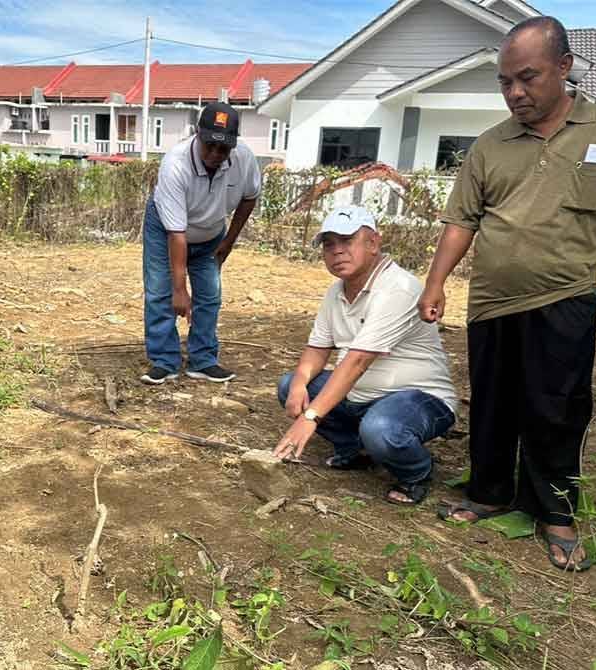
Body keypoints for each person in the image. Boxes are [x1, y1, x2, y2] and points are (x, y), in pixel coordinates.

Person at [419, 16, 596, 571]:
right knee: (494, 404)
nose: (515, 93)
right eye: (504, 82)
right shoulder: (490, 145)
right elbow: (462, 220)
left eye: (527, 78)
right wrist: (435, 281)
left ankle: (555, 511)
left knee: (556, 407)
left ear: (564, 68)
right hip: (493, 300)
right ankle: (490, 493)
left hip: (566, 296)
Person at [273, 205, 458, 505]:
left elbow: (357, 360)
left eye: (347, 241)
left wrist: (310, 417)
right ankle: (357, 450)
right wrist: (298, 384)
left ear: (373, 243)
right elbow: (318, 348)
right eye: (329, 245)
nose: (337, 252)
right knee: (291, 385)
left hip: (419, 397)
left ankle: (416, 473)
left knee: (382, 429)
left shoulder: (397, 288)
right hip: (362, 394)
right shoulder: (336, 292)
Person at [141, 102, 261, 385]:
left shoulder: (243, 158)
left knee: (210, 295)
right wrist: (180, 290)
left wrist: (229, 240)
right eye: (210, 146)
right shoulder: (175, 164)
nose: (216, 155)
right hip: (167, 230)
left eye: (224, 149)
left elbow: (249, 196)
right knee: (160, 292)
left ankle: (203, 360)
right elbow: (177, 234)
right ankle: (164, 361)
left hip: (212, 233)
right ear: (198, 134)